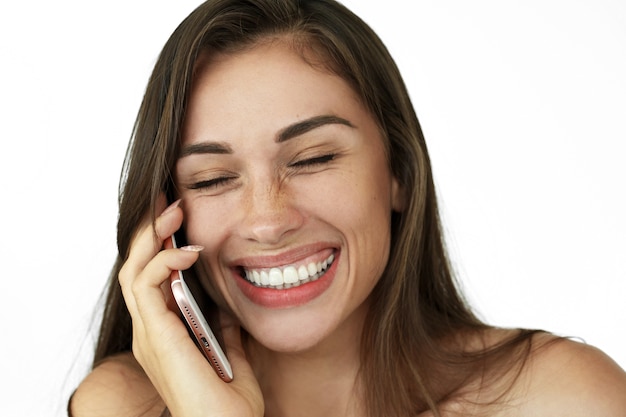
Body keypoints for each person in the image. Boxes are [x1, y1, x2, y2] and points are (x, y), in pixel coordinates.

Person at [69, 0, 626, 416]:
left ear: (399, 175)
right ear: (165, 215)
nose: (267, 220)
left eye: (312, 159)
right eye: (213, 178)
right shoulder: (122, 407)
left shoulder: (563, 399)